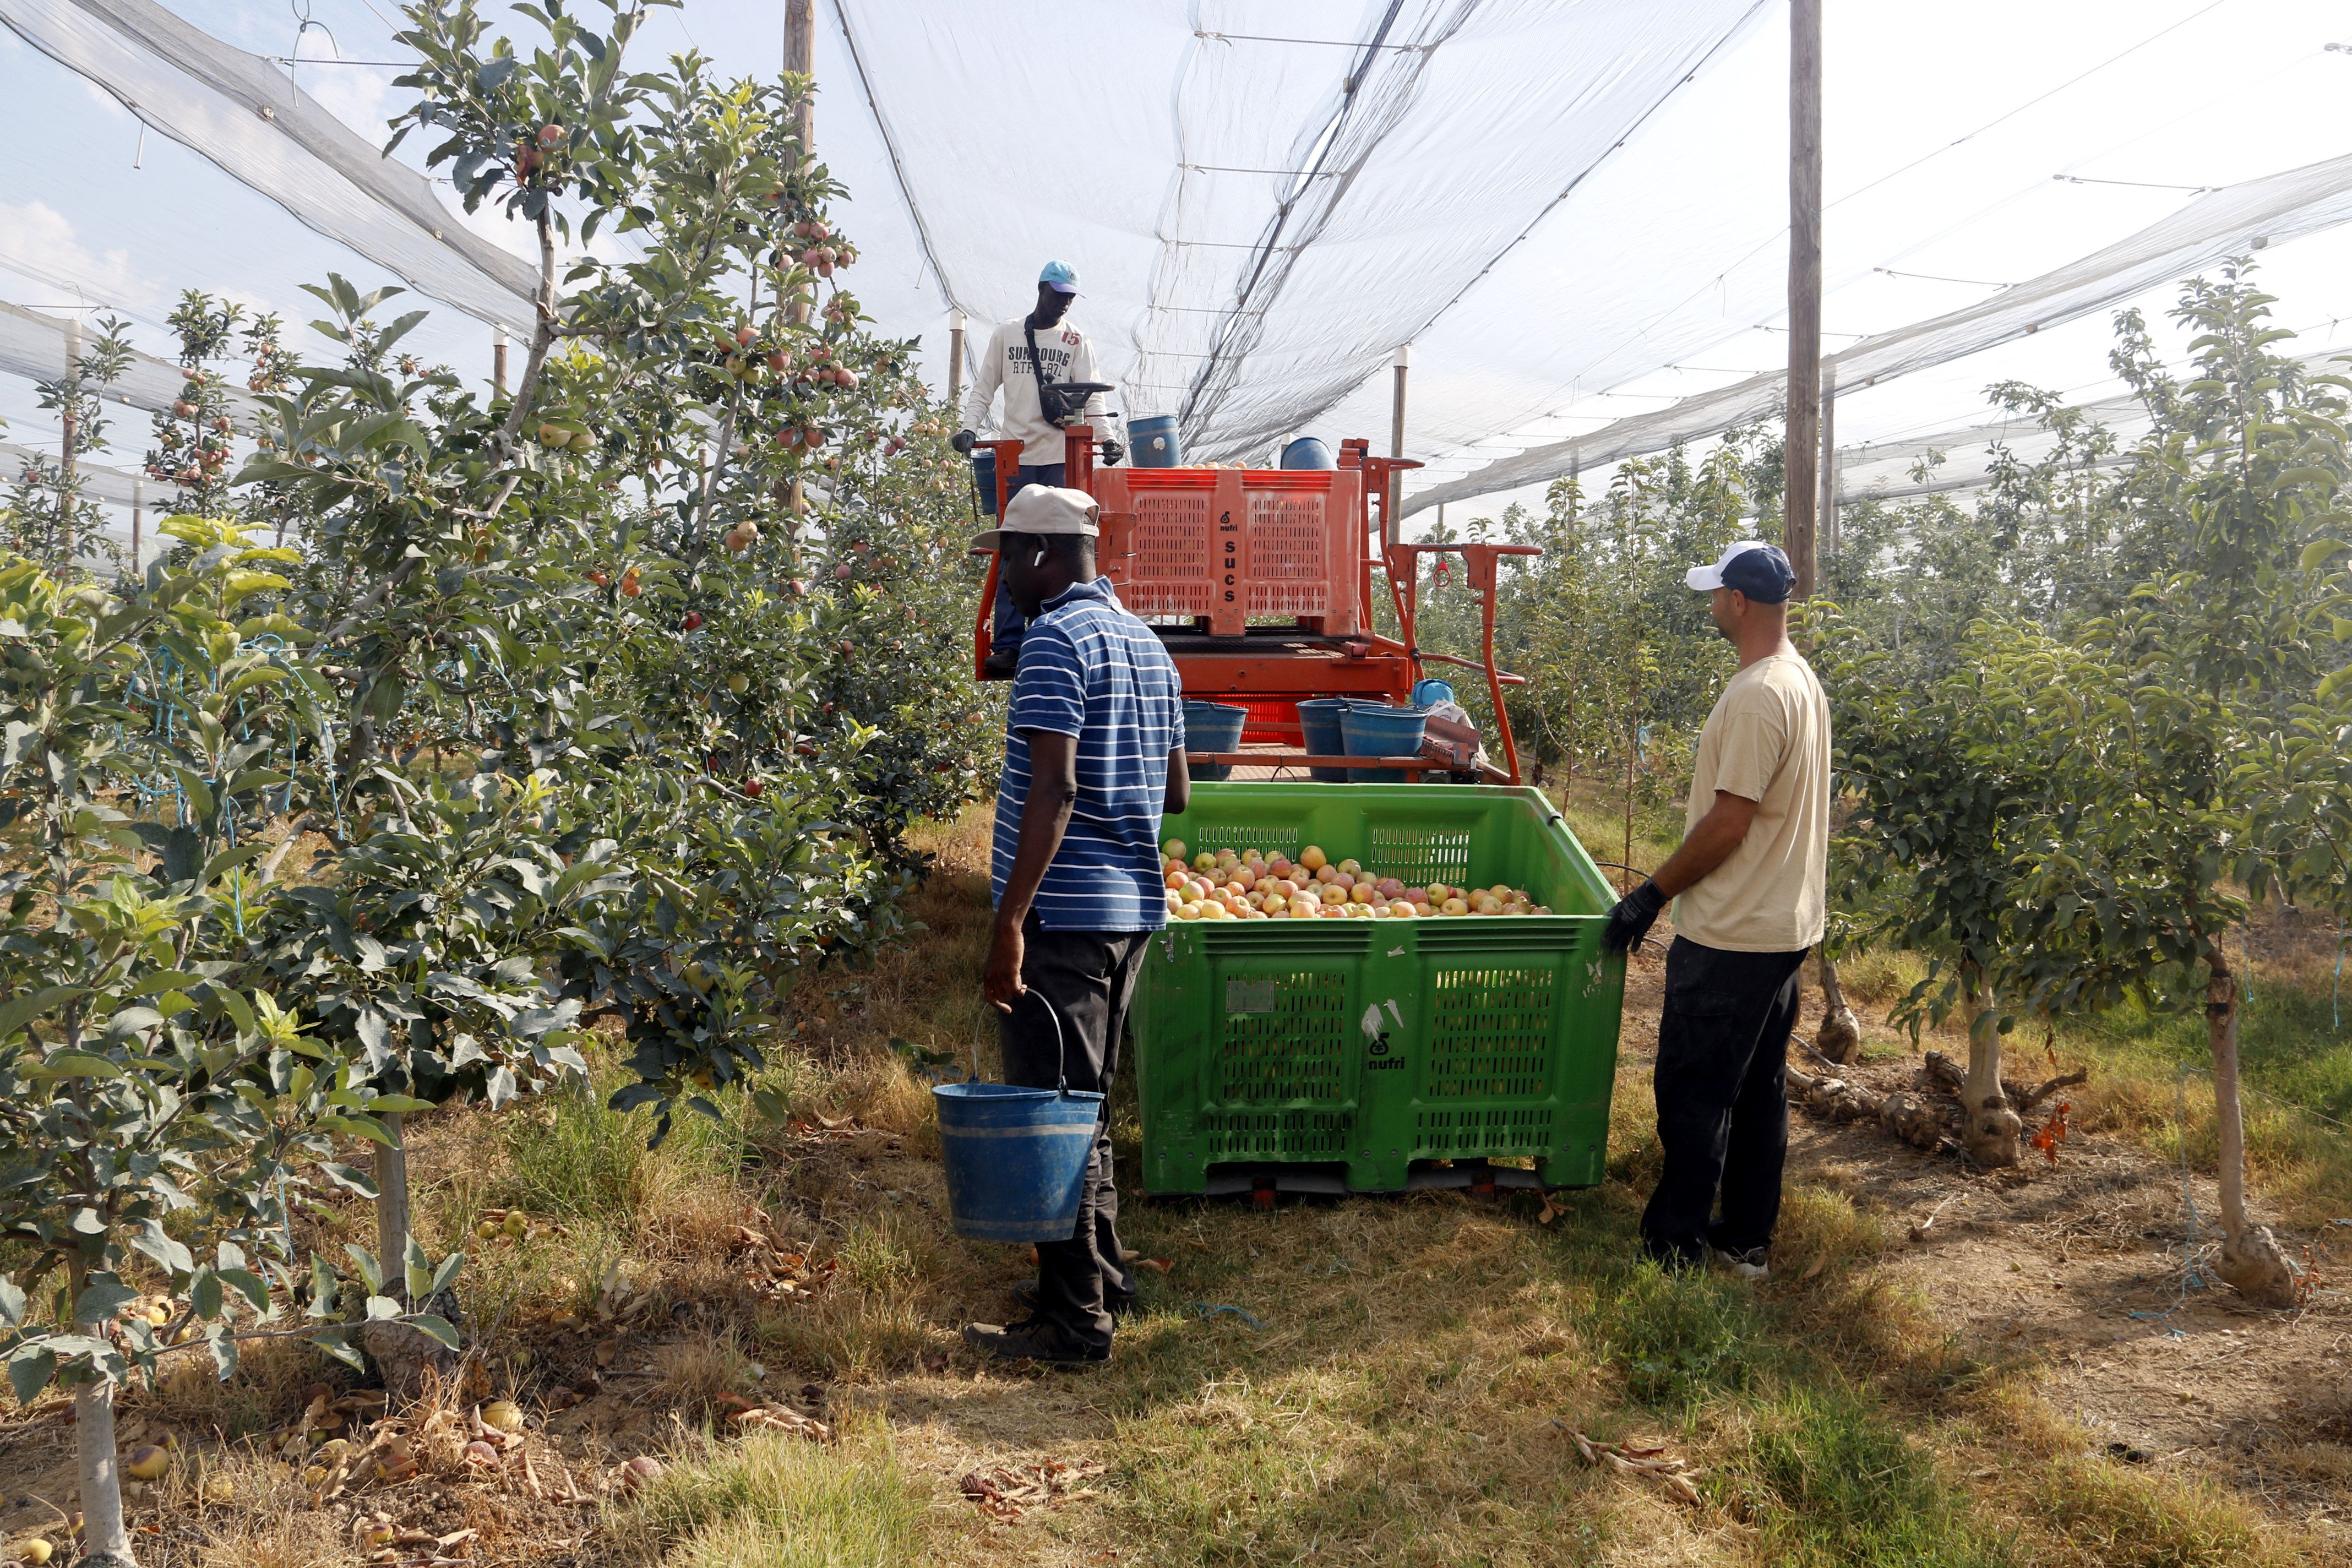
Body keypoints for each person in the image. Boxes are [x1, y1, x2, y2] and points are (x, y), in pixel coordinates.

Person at [961, 484, 1187, 1366]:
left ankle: (1074, 1324)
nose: (1004, 577)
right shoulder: (1148, 647)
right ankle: (1106, 1278)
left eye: (1008, 558)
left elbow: (1053, 792)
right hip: (1129, 911)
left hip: (1063, 916)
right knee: (1085, 1105)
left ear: (1044, 557)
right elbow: (1175, 792)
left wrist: (1010, 922)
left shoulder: (1057, 641)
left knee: (1053, 1115)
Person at [1598, 541, 1830, 1280]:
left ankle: (1675, 1250)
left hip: (1735, 932)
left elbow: (1730, 824)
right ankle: (1746, 1240)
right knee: (1757, 1088)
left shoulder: (1761, 693)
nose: (1710, 606)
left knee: (1694, 1091)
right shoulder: (1800, 682)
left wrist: (1649, 896)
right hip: (1783, 924)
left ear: (1740, 602)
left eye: (1715, 594)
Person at [954, 262, 1124, 676]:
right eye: (1059, 294)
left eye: (1070, 297)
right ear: (1041, 290)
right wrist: (967, 428)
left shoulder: (1076, 340)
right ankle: (1010, 644)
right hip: (1017, 458)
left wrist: (1106, 438)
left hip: (1060, 459)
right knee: (1015, 549)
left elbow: (1093, 397)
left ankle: (1059, 633)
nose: (1064, 303)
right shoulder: (1008, 334)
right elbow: (984, 388)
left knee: (1063, 549)